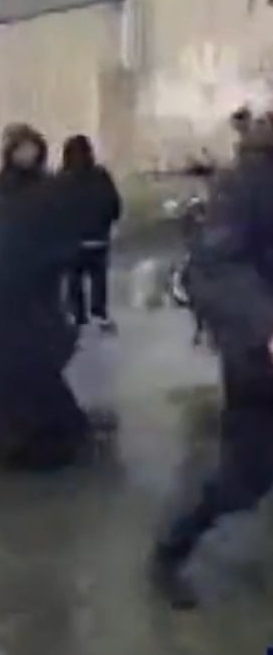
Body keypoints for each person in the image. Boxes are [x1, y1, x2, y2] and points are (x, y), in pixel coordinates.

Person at [150, 108, 273, 610]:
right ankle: (169, 551)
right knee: (244, 477)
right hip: (261, 355)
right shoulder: (248, 184)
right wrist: (265, 325)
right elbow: (215, 266)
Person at [0, 123, 89, 471]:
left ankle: (41, 434)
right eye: (20, 148)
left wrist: (58, 260)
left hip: (33, 289)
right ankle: (5, 436)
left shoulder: (48, 192)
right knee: (1, 366)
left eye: (32, 148)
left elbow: (64, 236)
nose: (27, 156)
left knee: (37, 360)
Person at [57, 134, 122, 332]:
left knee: (74, 277)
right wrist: (107, 222)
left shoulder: (61, 179)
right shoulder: (101, 176)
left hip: (72, 240)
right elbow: (114, 204)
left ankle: (77, 315)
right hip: (98, 238)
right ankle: (99, 313)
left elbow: (53, 209)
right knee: (98, 277)